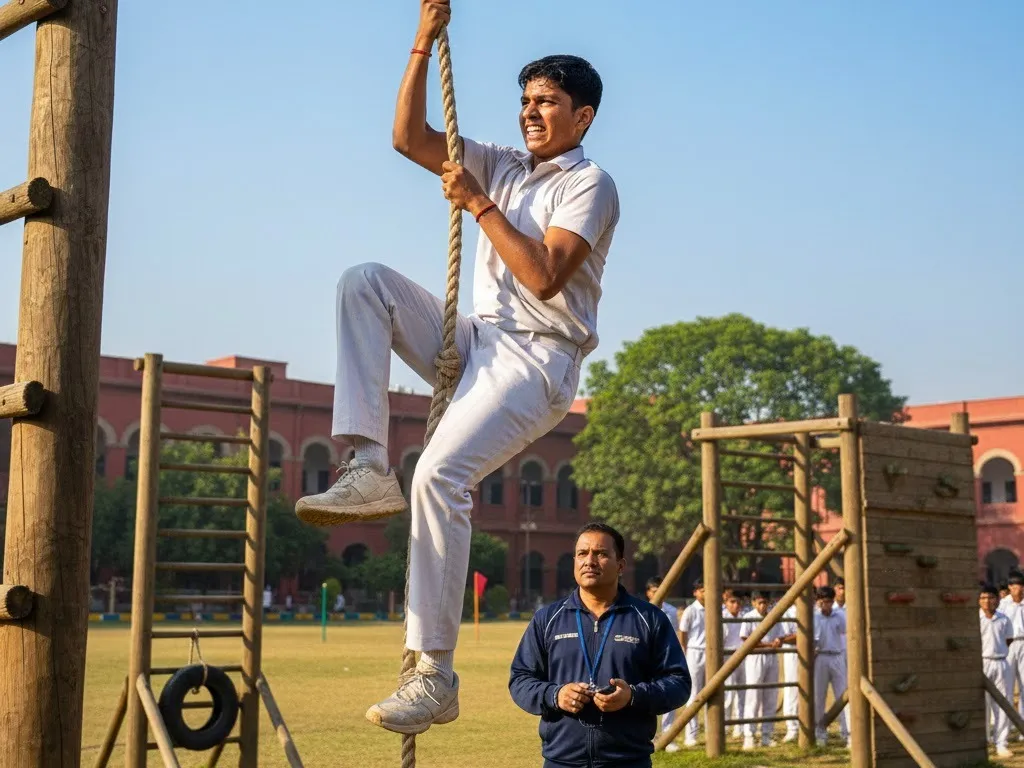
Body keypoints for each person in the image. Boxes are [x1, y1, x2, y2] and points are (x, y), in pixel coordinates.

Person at [292, 0, 620, 736]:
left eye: (548, 101)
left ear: (584, 115)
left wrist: (477, 204)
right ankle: (367, 463)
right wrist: (421, 42)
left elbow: (544, 277)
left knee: (440, 476)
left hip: (538, 358)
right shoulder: (503, 162)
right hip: (478, 338)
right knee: (364, 283)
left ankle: (434, 673)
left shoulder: (589, 184)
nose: (531, 111)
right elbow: (408, 137)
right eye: (526, 99)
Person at [509, 523, 691, 768]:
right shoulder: (547, 619)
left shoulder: (649, 618)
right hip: (562, 760)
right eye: (582, 553)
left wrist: (633, 696)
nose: (590, 561)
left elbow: (678, 683)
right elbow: (520, 679)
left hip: (628, 761)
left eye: (601, 554)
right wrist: (556, 695)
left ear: (621, 565)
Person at [739, 592, 783, 750]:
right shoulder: (748, 617)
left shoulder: (773, 616)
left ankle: (766, 734)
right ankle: (749, 735)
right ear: (753, 603)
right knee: (753, 697)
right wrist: (768, 644)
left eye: (765, 602)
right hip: (755, 658)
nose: (763, 606)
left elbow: (780, 636)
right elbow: (745, 639)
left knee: (770, 696)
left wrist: (777, 641)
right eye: (760, 602)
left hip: (771, 657)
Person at [645, 576, 682, 752]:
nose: (658, 594)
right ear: (648, 593)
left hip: (665, 657)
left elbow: (675, 634)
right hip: (646, 658)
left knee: (668, 693)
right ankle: (648, 735)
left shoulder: (672, 611)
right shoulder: (640, 610)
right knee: (647, 694)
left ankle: (668, 736)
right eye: (654, 591)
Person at [812, 586, 849, 747]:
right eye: (823, 602)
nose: (826, 605)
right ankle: (820, 733)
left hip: (837, 656)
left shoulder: (839, 615)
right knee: (819, 697)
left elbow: (845, 631)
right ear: (818, 601)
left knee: (843, 696)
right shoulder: (814, 617)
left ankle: (847, 733)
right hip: (820, 657)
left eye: (829, 602)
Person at [982, 583, 1015, 758]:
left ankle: (1001, 742)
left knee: (1003, 702)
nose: (987, 601)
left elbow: (1008, 640)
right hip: (982, 662)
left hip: (1001, 662)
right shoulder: (976, 619)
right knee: (982, 703)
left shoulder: (1004, 619)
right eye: (983, 598)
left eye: (991, 597)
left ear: (997, 600)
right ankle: (984, 739)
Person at [678, 579, 707, 748]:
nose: (705, 593)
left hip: (711, 652)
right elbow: (683, 632)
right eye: (702, 590)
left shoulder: (714, 608)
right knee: (694, 693)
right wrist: (686, 650)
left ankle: (711, 730)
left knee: (712, 692)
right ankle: (691, 734)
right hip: (694, 651)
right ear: (695, 592)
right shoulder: (690, 610)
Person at [999, 571, 1024, 738]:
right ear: (1009, 587)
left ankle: (1022, 727)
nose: (1019, 589)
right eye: (1015, 586)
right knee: (1006, 687)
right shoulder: (1003, 604)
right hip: (1008, 644)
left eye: (1021, 586)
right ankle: (1005, 730)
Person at [722, 591, 746, 739]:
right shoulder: (722, 618)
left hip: (743, 657)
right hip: (727, 657)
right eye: (732, 602)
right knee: (728, 694)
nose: (735, 605)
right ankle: (725, 725)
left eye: (738, 602)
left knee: (742, 693)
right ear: (726, 603)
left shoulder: (744, 617)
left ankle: (739, 726)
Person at [779, 602, 800, 743]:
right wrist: (804, 635)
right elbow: (785, 637)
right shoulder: (787, 613)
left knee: (813, 690)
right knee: (792, 689)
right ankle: (792, 728)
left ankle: (813, 726)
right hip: (792, 653)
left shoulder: (815, 611)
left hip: (813, 651)